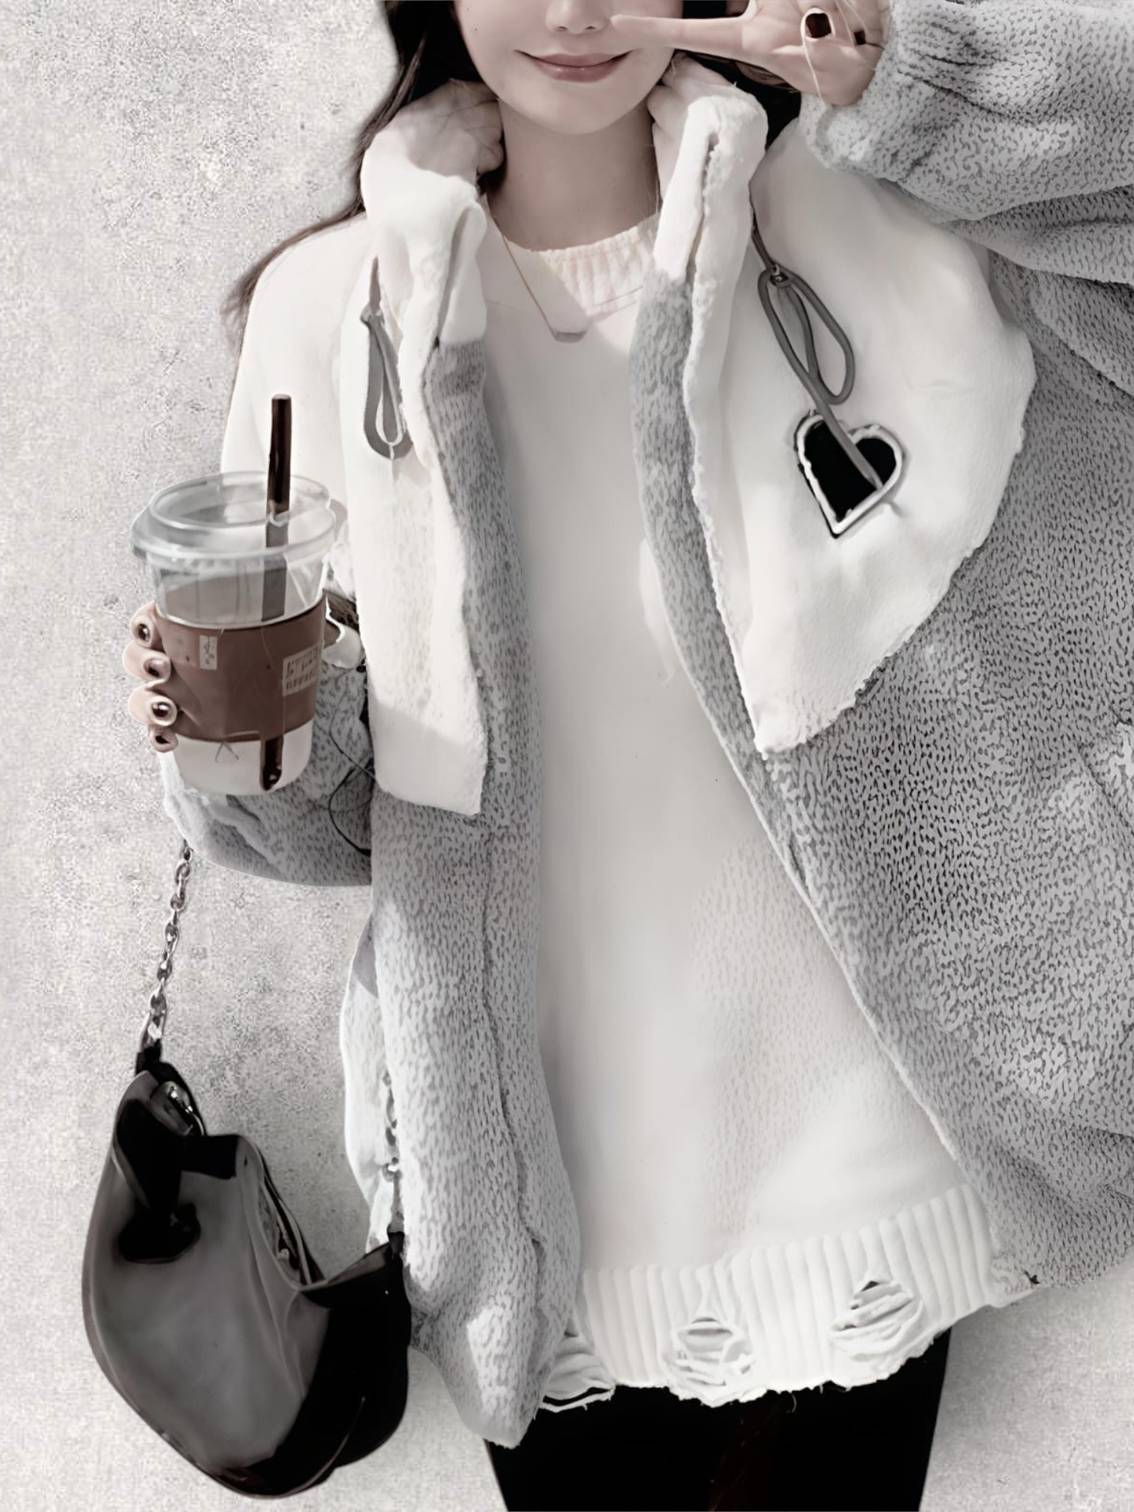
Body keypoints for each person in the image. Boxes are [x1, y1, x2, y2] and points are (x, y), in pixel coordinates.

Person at [122, 2, 1134, 1508]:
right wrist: (220, 726)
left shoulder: (856, 215)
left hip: (865, 1153)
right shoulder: (329, 311)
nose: (575, 12)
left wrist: (914, 84)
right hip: (542, 1197)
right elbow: (318, 834)